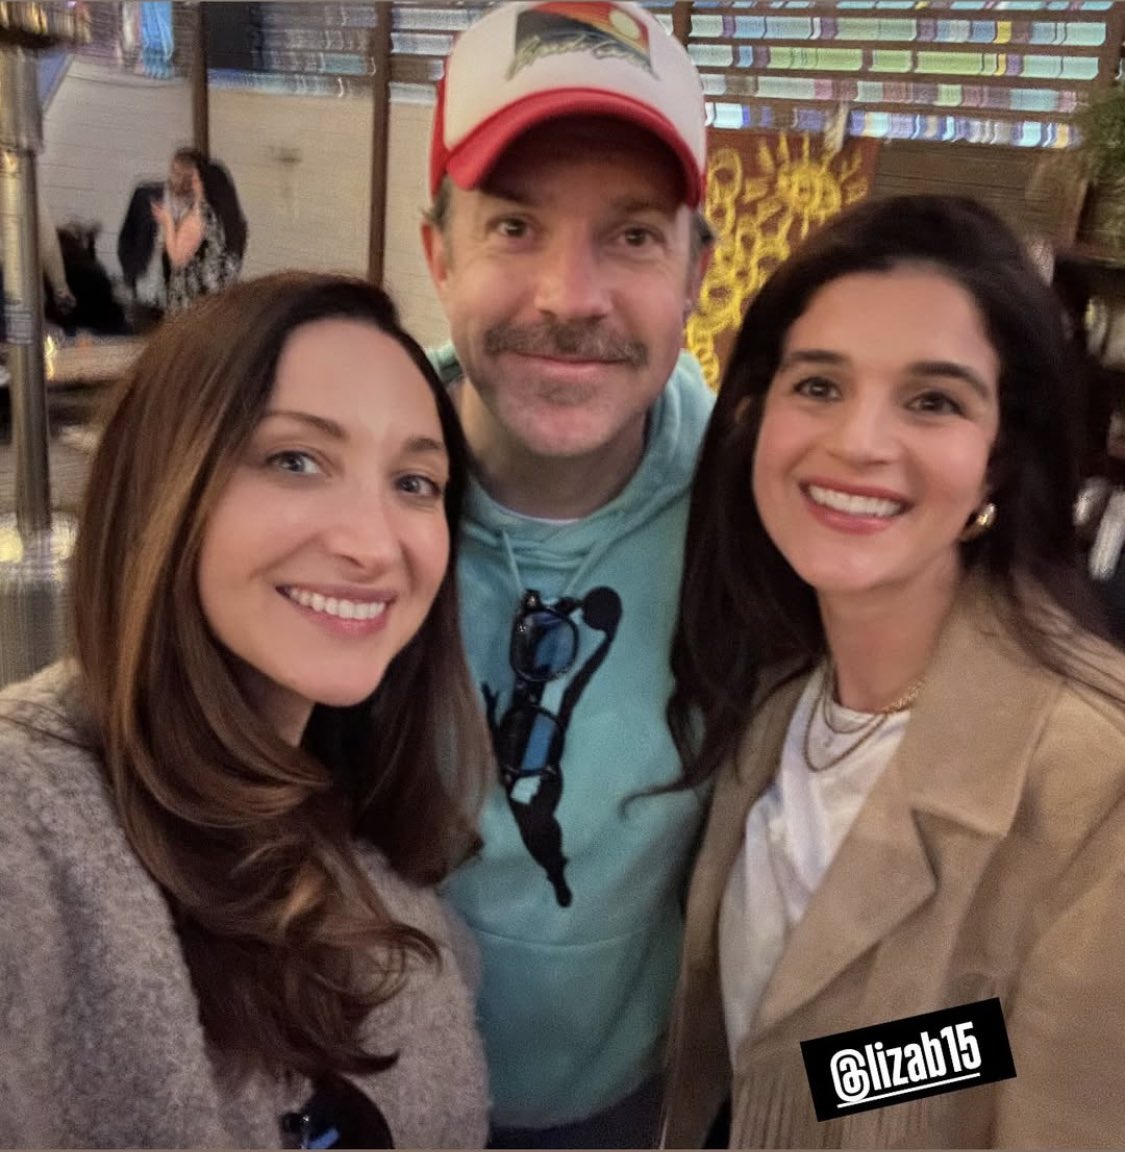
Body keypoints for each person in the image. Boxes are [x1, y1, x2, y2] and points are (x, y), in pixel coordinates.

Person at [662, 195, 1125, 1148]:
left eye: (933, 400)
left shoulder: (1094, 794)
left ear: (997, 462)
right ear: (753, 412)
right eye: (819, 386)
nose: (859, 442)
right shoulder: (775, 685)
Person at [0, 272, 490, 1148]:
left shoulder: (378, 862)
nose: (373, 544)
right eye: (295, 460)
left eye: (415, 481)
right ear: (163, 484)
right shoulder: (27, 821)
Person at [419, 2, 714, 1144]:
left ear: (696, 266)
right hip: (344, 1090)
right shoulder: (323, 496)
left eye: (633, 234)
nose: (569, 297)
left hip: (628, 1107)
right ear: (438, 251)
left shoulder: (768, 519)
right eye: (514, 227)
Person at [152, 146, 247, 313]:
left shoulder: (200, 215)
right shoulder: (231, 220)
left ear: (205, 184)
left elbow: (177, 257)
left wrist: (167, 222)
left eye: (195, 180)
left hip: (191, 304)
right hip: (218, 304)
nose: (192, 185)